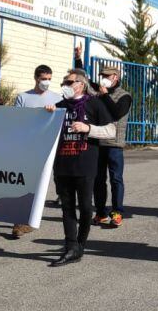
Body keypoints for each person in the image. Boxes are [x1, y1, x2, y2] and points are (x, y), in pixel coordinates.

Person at [43, 69, 114, 267]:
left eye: (70, 81)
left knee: (84, 207)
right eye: (63, 82)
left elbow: (111, 130)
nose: (65, 85)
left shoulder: (94, 104)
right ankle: (71, 246)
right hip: (63, 166)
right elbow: (46, 131)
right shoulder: (60, 106)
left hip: (85, 165)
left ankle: (80, 245)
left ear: (81, 84)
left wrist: (88, 128)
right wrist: (47, 115)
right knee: (67, 208)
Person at [11, 64, 63, 239]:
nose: (46, 82)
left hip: (49, 147)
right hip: (27, 146)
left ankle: (34, 218)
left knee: (45, 182)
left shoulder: (57, 98)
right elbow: (16, 121)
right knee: (25, 183)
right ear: (36, 79)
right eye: (43, 79)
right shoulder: (23, 97)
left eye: (49, 79)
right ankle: (21, 221)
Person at [92, 66, 131, 228]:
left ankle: (117, 212)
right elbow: (85, 82)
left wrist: (105, 95)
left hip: (114, 144)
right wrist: (79, 59)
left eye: (107, 75)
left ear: (115, 77)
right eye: (102, 75)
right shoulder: (99, 93)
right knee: (98, 179)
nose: (103, 78)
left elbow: (116, 113)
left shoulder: (124, 96)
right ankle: (101, 212)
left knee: (116, 179)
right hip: (97, 142)